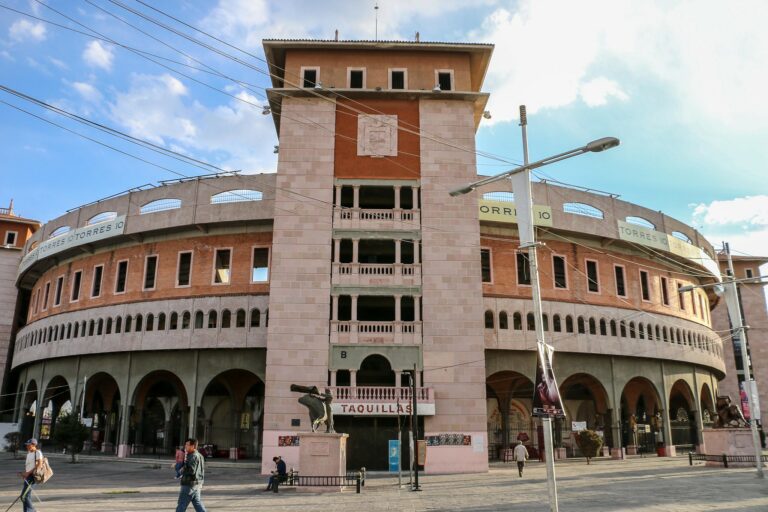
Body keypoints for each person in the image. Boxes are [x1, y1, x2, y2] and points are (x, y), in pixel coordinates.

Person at [176, 438, 206, 512]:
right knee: (197, 503)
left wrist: (181, 470)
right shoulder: (200, 455)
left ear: (193, 446)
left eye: (187, 445)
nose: (185, 446)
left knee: (181, 505)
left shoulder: (193, 456)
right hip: (197, 484)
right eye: (185, 444)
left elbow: (191, 470)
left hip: (189, 484)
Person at [18, 438, 43, 512]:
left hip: (33, 477)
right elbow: (28, 466)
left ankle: (31, 511)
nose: (27, 446)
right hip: (28, 477)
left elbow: (39, 465)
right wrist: (24, 474)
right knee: (26, 496)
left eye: (29, 445)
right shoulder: (29, 453)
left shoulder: (38, 452)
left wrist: (28, 473)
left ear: (34, 445)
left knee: (24, 496)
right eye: (27, 445)